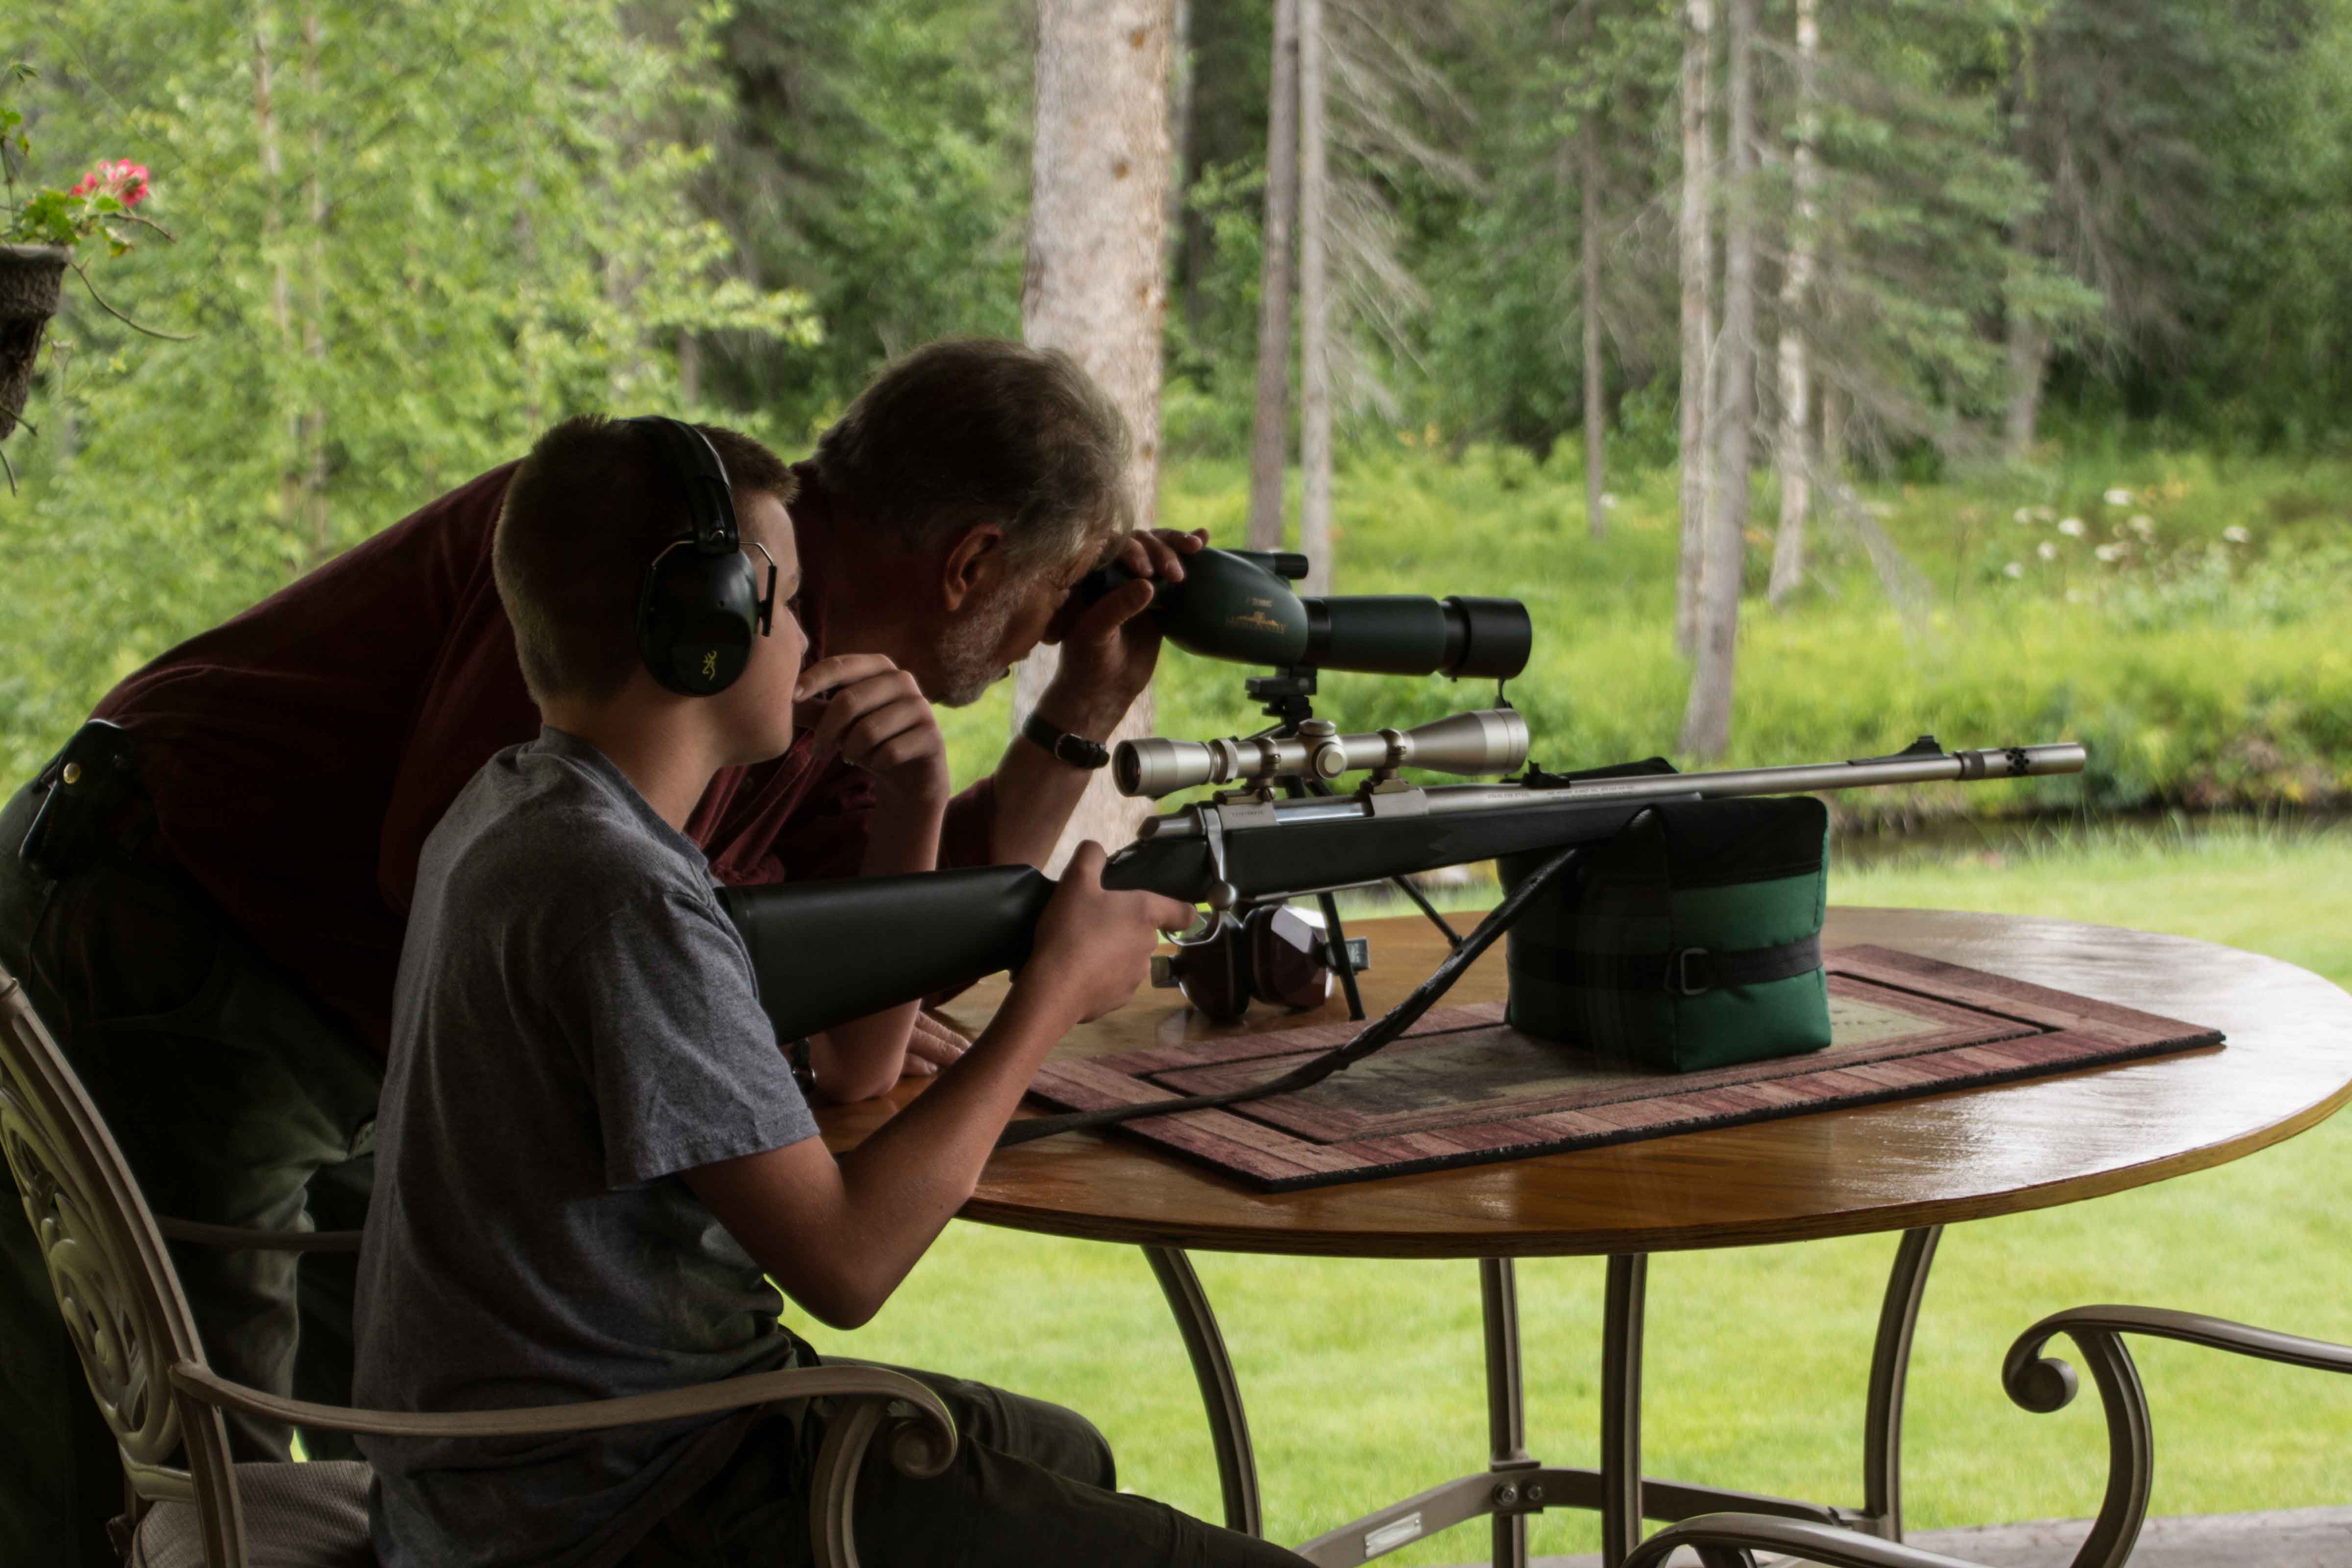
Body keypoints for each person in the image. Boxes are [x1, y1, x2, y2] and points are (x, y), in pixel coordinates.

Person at [0, 338, 1204, 1565]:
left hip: (374, 1068)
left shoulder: (758, 679)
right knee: (169, 1486)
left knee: (435, 1449)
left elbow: (885, 954)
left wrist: (1079, 708)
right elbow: (543, 900)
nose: (1045, 634)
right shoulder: (638, 590)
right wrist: (1002, 995)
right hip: (175, 934)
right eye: (1061, 591)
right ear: (973, 564)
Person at [354, 413, 1299, 1568]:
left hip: (544, 1464)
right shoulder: (622, 894)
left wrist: (915, 801)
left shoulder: (519, 807)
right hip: (630, 1498)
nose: (807, 636)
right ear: (705, 628)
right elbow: (848, 1263)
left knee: (1065, 1448)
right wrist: (1050, 996)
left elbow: (856, 1065)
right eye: (791, 603)